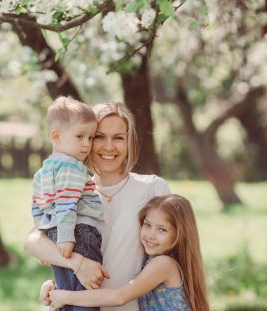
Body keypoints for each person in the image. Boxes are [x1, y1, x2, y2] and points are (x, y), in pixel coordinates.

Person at [24, 101, 171, 311]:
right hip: (74, 301)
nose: (109, 147)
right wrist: (67, 275)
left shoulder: (153, 189)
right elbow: (33, 242)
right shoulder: (76, 189)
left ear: (129, 142)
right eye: (99, 137)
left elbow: (171, 259)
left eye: (118, 138)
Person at [42, 194, 209, 311]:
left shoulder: (164, 264)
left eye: (162, 230)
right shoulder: (157, 262)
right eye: (147, 224)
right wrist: (57, 286)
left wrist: (64, 297)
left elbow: (119, 297)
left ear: (180, 234)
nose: (150, 234)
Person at [32, 96, 106, 311]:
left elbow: (38, 207)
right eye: (80, 136)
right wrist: (64, 238)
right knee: (85, 297)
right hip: (78, 233)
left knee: (65, 295)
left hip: (59, 234)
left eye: (91, 137)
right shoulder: (72, 166)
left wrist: (46, 240)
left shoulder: (43, 171)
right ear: (56, 136)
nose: (87, 144)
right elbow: (66, 204)